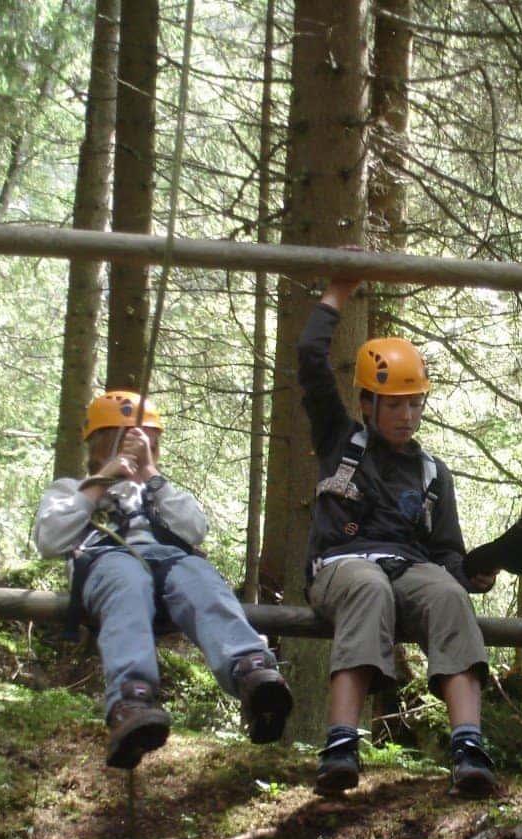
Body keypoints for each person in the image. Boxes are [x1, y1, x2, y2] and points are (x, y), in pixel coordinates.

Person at [298, 273, 498, 798]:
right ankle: (341, 744)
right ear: (367, 402)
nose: (406, 416)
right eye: (393, 404)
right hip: (342, 567)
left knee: (449, 595)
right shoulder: (340, 439)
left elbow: (446, 551)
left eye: (414, 404)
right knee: (368, 585)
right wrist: (336, 293)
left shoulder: (433, 472)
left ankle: (469, 747)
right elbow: (310, 360)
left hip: (408, 569)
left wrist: (470, 575)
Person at [34, 390, 293, 769]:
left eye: (146, 444)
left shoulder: (158, 490)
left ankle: (251, 670)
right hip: (107, 560)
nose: (136, 451)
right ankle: (131, 699)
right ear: (100, 444)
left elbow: (195, 530)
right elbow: (51, 540)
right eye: (121, 442)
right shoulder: (70, 490)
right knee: (128, 581)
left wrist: (152, 477)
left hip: (170, 562)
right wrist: (103, 480)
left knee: (200, 576)